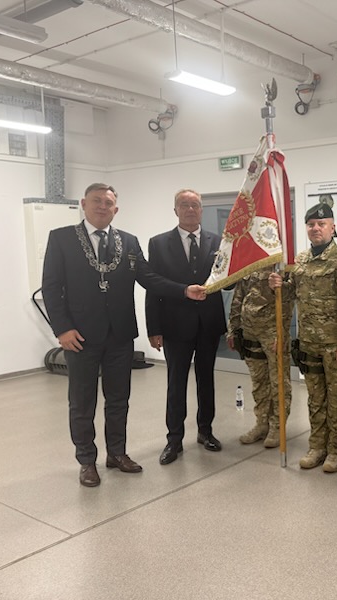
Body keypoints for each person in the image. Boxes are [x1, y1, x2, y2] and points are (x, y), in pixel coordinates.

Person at [42, 183, 206, 487]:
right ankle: (87, 461)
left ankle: (117, 453)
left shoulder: (128, 241)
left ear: (116, 209)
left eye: (108, 203)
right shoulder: (62, 238)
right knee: (82, 402)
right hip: (79, 337)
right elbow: (51, 287)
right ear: (84, 204)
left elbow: (149, 278)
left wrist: (184, 290)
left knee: (119, 400)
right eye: (96, 201)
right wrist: (62, 329)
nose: (102, 207)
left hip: (120, 335)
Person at [269, 203, 337, 473]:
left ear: (332, 227)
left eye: (321, 224)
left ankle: (336, 450)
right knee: (315, 399)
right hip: (309, 344)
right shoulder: (300, 261)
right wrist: (277, 286)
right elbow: (290, 295)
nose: (316, 228)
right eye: (311, 225)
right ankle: (317, 446)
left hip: (335, 347)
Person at [145, 189, 226, 465]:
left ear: (201, 210)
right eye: (184, 205)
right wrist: (154, 328)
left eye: (195, 205)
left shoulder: (218, 242)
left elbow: (227, 278)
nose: (190, 209)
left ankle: (206, 431)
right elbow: (153, 287)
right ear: (175, 210)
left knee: (206, 380)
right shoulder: (158, 244)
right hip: (174, 325)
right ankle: (174, 440)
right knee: (176, 383)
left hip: (208, 324)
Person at [227, 267, 294, 449]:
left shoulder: (282, 263)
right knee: (259, 381)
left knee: (278, 381)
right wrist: (233, 328)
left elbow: (289, 300)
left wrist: (282, 332)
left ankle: (277, 426)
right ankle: (262, 423)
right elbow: (238, 296)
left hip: (272, 332)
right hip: (250, 331)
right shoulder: (251, 262)